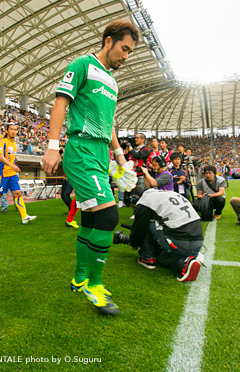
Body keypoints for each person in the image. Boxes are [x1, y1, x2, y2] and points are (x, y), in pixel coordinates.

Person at [41, 19, 139, 316]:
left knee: (90, 218)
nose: (126, 56)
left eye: (130, 52)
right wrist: (52, 144)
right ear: (108, 41)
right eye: (124, 48)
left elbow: (108, 125)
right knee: (109, 216)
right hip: (81, 149)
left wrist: (120, 160)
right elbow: (61, 102)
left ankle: (80, 277)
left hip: (100, 154)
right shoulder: (83, 64)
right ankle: (94, 286)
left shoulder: (112, 82)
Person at [113, 187, 203, 281]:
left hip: (180, 241)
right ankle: (186, 261)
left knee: (146, 221)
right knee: (162, 257)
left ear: (133, 199)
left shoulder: (145, 202)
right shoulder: (163, 194)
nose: (134, 209)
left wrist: (134, 242)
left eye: (133, 206)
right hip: (197, 241)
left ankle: (148, 258)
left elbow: (140, 228)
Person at [0, 122, 36, 224]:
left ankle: (24, 216)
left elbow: (11, 157)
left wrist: (14, 165)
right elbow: (1, 157)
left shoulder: (14, 144)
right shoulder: (2, 142)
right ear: (6, 131)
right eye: (11, 129)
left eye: (15, 129)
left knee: (18, 193)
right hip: (3, 173)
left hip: (12, 174)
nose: (14, 131)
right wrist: (12, 165)